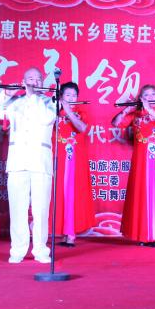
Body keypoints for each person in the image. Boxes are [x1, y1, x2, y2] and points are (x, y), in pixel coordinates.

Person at [0, 67, 56, 264]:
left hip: (40, 162)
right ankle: (17, 250)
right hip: (17, 161)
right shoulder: (14, 102)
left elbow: (47, 119)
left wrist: (33, 95)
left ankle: (41, 250)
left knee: (41, 209)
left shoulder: (50, 102)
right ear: (23, 82)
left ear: (42, 82)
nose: (34, 81)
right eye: (30, 78)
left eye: (38, 79)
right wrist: (5, 94)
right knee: (18, 209)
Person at [114, 85, 155, 247]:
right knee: (141, 195)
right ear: (141, 98)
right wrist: (125, 111)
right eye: (146, 95)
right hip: (140, 161)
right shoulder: (136, 115)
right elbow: (116, 123)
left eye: (153, 94)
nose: (150, 97)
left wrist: (149, 109)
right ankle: (142, 234)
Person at [54, 82, 94, 246]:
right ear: (61, 96)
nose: (71, 98)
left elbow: (82, 128)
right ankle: (63, 232)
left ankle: (71, 234)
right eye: (67, 95)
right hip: (57, 157)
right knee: (59, 194)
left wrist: (68, 111)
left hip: (75, 159)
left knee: (73, 194)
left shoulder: (81, 112)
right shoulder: (53, 111)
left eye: (74, 95)